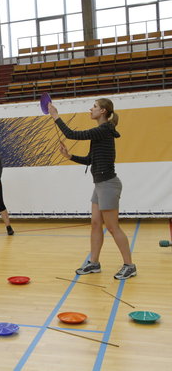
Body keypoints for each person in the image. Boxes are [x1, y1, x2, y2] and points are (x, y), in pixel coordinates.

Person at [48, 98, 136, 280]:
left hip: (108, 185)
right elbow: (90, 159)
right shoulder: (100, 133)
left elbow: (72, 134)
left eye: (94, 107)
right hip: (100, 185)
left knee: (113, 227)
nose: (91, 109)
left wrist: (56, 116)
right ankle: (94, 263)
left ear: (103, 111)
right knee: (96, 224)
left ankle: (129, 265)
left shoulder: (103, 130)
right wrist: (69, 155)